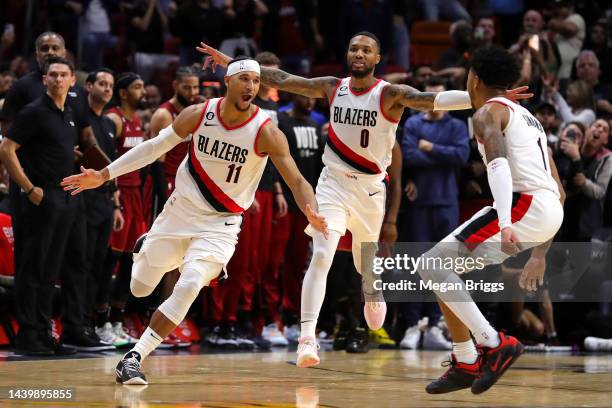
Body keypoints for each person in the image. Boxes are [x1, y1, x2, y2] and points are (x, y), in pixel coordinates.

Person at [198, 33, 531, 368]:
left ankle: (373, 291)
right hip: (332, 184)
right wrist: (234, 64)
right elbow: (284, 79)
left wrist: (491, 100)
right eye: (354, 48)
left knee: (365, 266)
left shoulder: (390, 94)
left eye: (366, 50)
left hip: (371, 192)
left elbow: (433, 100)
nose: (358, 53)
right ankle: (307, 338)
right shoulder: (332, 86)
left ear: (377, 58)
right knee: (322, 255)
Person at [61, 56, 328, 385]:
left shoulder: (266, 132)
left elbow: (298, 181)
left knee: (189, 284)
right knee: (140, 287)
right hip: (179, 212)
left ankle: (134, 358)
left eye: (256, 81)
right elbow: (152, 147)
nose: (251, 87)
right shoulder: (200, 114)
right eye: (244, 79)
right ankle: (145, 249)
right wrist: (103, 175)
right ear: (227, 82)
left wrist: (311, 209)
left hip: (222, 224)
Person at [416, 46, 565, 395]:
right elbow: (559, 191)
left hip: (521, 205)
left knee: (431, 264)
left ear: (475, 77)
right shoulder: (528, 117)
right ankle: (465, 360)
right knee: (443, 270)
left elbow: (496, 163)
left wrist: (504, 220)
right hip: (547, 211)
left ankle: (494, 343)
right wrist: (540, 253)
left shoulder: (487, 113)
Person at [0, 57, 87, 355]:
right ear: (45, 80)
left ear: (73, 80)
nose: (58, 80)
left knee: (51, 271)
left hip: (64, 197)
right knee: (31, 268)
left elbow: (52, 148)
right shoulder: (34, 111)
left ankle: (43, 332)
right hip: (38, 199)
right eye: (53, 75)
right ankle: (27, 335)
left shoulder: (69, 113)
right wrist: (28, 188)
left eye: (64, 75)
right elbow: (6, 148)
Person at [398, 76, 469, 350]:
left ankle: (436, 324)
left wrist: (430, 148)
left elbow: (461, 157)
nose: (437, 102)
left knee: (444, 268)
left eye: (441, 97)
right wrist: (441, 155)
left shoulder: (457, 125)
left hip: (447, 202)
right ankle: (412, 325)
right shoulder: (414, 124)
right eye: (432, 97)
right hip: (418, 206)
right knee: (415, 265)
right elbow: (408, 156)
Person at [83, 68, 127, 348]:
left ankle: (93, 326)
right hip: (83, 201)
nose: (107, 88)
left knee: (99, 266)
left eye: (110, 84)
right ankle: (81, 323)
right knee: (82, 264)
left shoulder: (108, 125)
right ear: (89, 86)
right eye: (102, 83)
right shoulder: (82, 118)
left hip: (105, 202)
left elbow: (111, 166)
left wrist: (116, 204)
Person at [104, 73, 148, 346]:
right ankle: (100, 321)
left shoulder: (137, 121)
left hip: (137, 196)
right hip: (119, 196)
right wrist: (115, 200)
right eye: (137, 87)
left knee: (131, 262)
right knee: (110, 260)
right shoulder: (114, 119)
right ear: (122, 93)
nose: (142, 91)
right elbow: (108, 162)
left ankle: (118, 321)